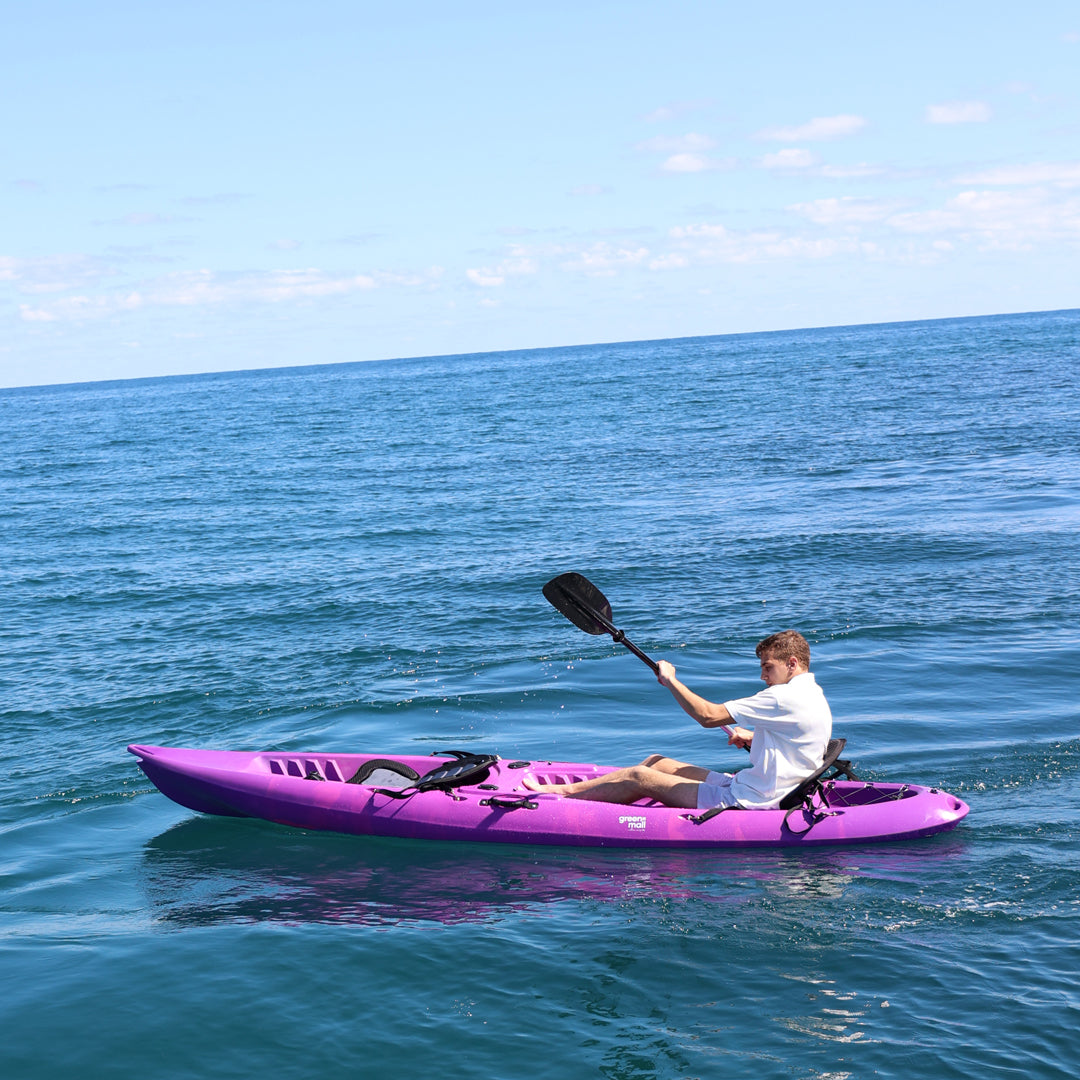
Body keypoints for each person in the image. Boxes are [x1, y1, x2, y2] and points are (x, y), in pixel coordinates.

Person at [522, 630, 832, 811]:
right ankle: (599, 794)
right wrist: (753, 738)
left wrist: (671, 680)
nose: (763, 676)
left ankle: (564, 796)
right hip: (761, 784)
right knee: (657, 762)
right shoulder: (811, 692)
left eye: (768, 667)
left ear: (792, 664)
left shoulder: (782, 696)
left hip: (751, 800)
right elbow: (796, 740)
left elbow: (707, 716)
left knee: (637, 776)